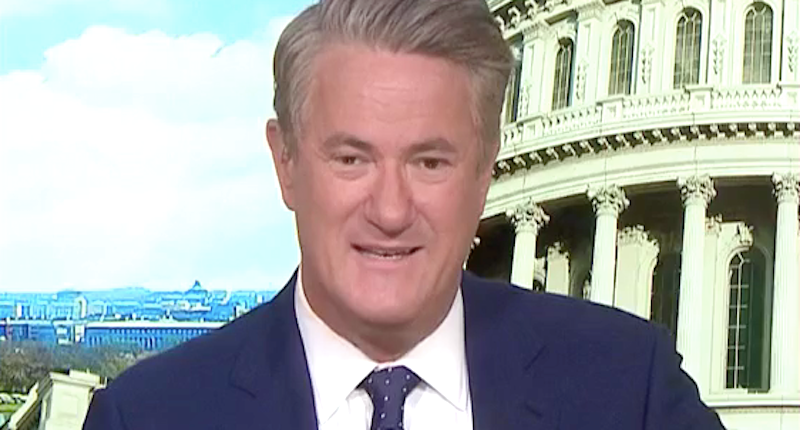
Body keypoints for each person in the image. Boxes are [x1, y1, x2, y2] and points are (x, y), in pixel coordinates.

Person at [83, 0, 725, 429]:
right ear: (285, 163)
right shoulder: (149, 417)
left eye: (430, 162)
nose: (390, 211)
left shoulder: (628, 392)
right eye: (351, 159)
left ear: (484, 171)